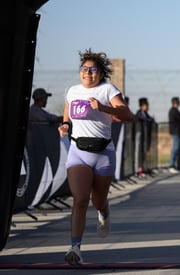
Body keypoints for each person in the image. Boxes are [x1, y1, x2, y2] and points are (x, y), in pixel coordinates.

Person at [57, 49, 134, 266]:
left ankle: (104, 211)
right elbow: (68, 113)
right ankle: (75, 248)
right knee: (80, 199)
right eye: (84, 69)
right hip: (78, 152)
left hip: (103, 154)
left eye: (92, 70)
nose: (88, 73)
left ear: (100, 73)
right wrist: (65, 125)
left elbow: (127, 114)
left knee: (97, 200)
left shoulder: (107, 89)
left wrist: (102, 107)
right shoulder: (72, 91)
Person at [135, 97, 154, 177]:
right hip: (140, 136)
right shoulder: (139, 113)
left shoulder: (146, 114)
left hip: (146, 137)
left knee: (144, 153)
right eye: (146, 105)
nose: (148, 107)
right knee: (139, 153)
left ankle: (144, 168)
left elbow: (149, 120)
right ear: (142, 106)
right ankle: (138, 170)